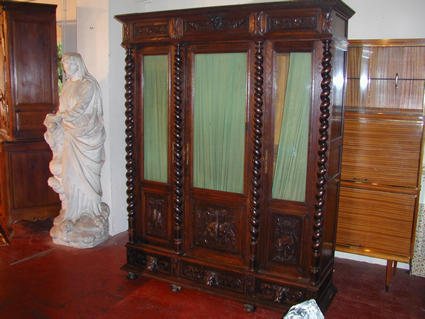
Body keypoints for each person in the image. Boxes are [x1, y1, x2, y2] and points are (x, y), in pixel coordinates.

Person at [44, 53, 108, 248]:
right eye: (64, 65)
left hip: (87, 136)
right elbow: (63, 109)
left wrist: (62, 118)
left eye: (70, 64)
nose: (67, 68)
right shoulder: (68, 87)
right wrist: (56, 119)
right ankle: (73, 211)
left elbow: (82, 108)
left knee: (87, 177)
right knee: (70, 175)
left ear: (78, 64)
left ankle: (91, 212)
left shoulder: (88, 85)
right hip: (70, 137)